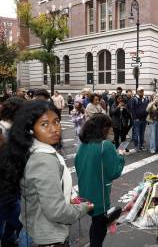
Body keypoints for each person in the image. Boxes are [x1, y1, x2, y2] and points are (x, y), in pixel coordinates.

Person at [0, 100, 93, 247]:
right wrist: (83, 208)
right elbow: (56, 211)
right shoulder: (44, 160)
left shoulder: (29, 150)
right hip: (48, 239)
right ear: (31, 129)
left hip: (33, 231)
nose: (54, 129)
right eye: (44, 124)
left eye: (56, 122)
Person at [75, 114, 125, 247]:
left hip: (85, 192)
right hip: (100, 194)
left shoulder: (83, 145)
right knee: (99, 228)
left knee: (96, 223)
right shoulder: (106, 145)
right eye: (109, 128)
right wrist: (120, 157)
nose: (111, 130)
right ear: (103, 129)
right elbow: (114, 172)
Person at [0, 98, 25, 247]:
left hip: (11, 189)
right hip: (6, 191)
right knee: (22, 222)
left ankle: (8, 240)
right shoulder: (5, 131)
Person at [131, 87, 149, 151]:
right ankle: (136, 146)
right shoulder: (134, 99)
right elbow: (132, 109)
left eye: (142, 91)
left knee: (142, 133)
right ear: (137, 92)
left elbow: (147, 108)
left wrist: (147, 116)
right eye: (140, 91)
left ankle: (141, 146)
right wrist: (135, 118)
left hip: (144, 119)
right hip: (137, 119)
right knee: (136, 133)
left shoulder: (146, 99)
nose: (142, 92)